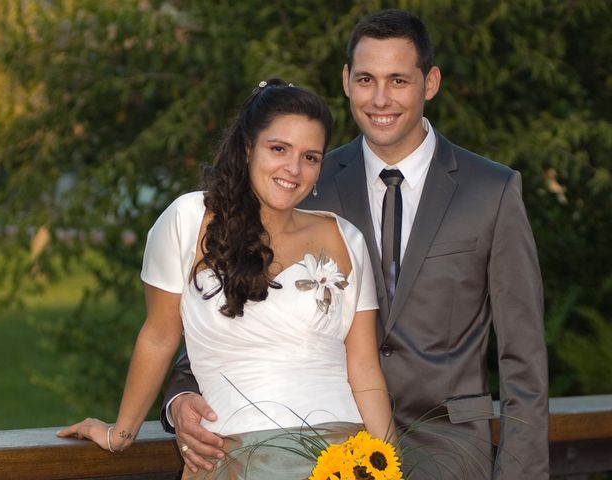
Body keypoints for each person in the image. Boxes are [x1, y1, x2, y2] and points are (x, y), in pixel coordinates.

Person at [163, 9, 549, 480]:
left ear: (430, 83)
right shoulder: (304, 179)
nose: (380, 98)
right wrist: (180, 397)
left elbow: (523, 360)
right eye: (366, 78)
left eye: (399, 80)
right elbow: (230, 311)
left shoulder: (491, 191)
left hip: (450, 453)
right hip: (320, 453)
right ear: (346, 81)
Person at [57, 80, 395, 479]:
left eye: (311, 157)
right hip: (237, 458)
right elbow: (159, 335)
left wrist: (390, 460)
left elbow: (364, 368)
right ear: (248, 147)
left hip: (343, 458)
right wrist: (121, 433)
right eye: (279, 149)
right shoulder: (187, 220)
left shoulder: (345, 237)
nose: (293, 169)